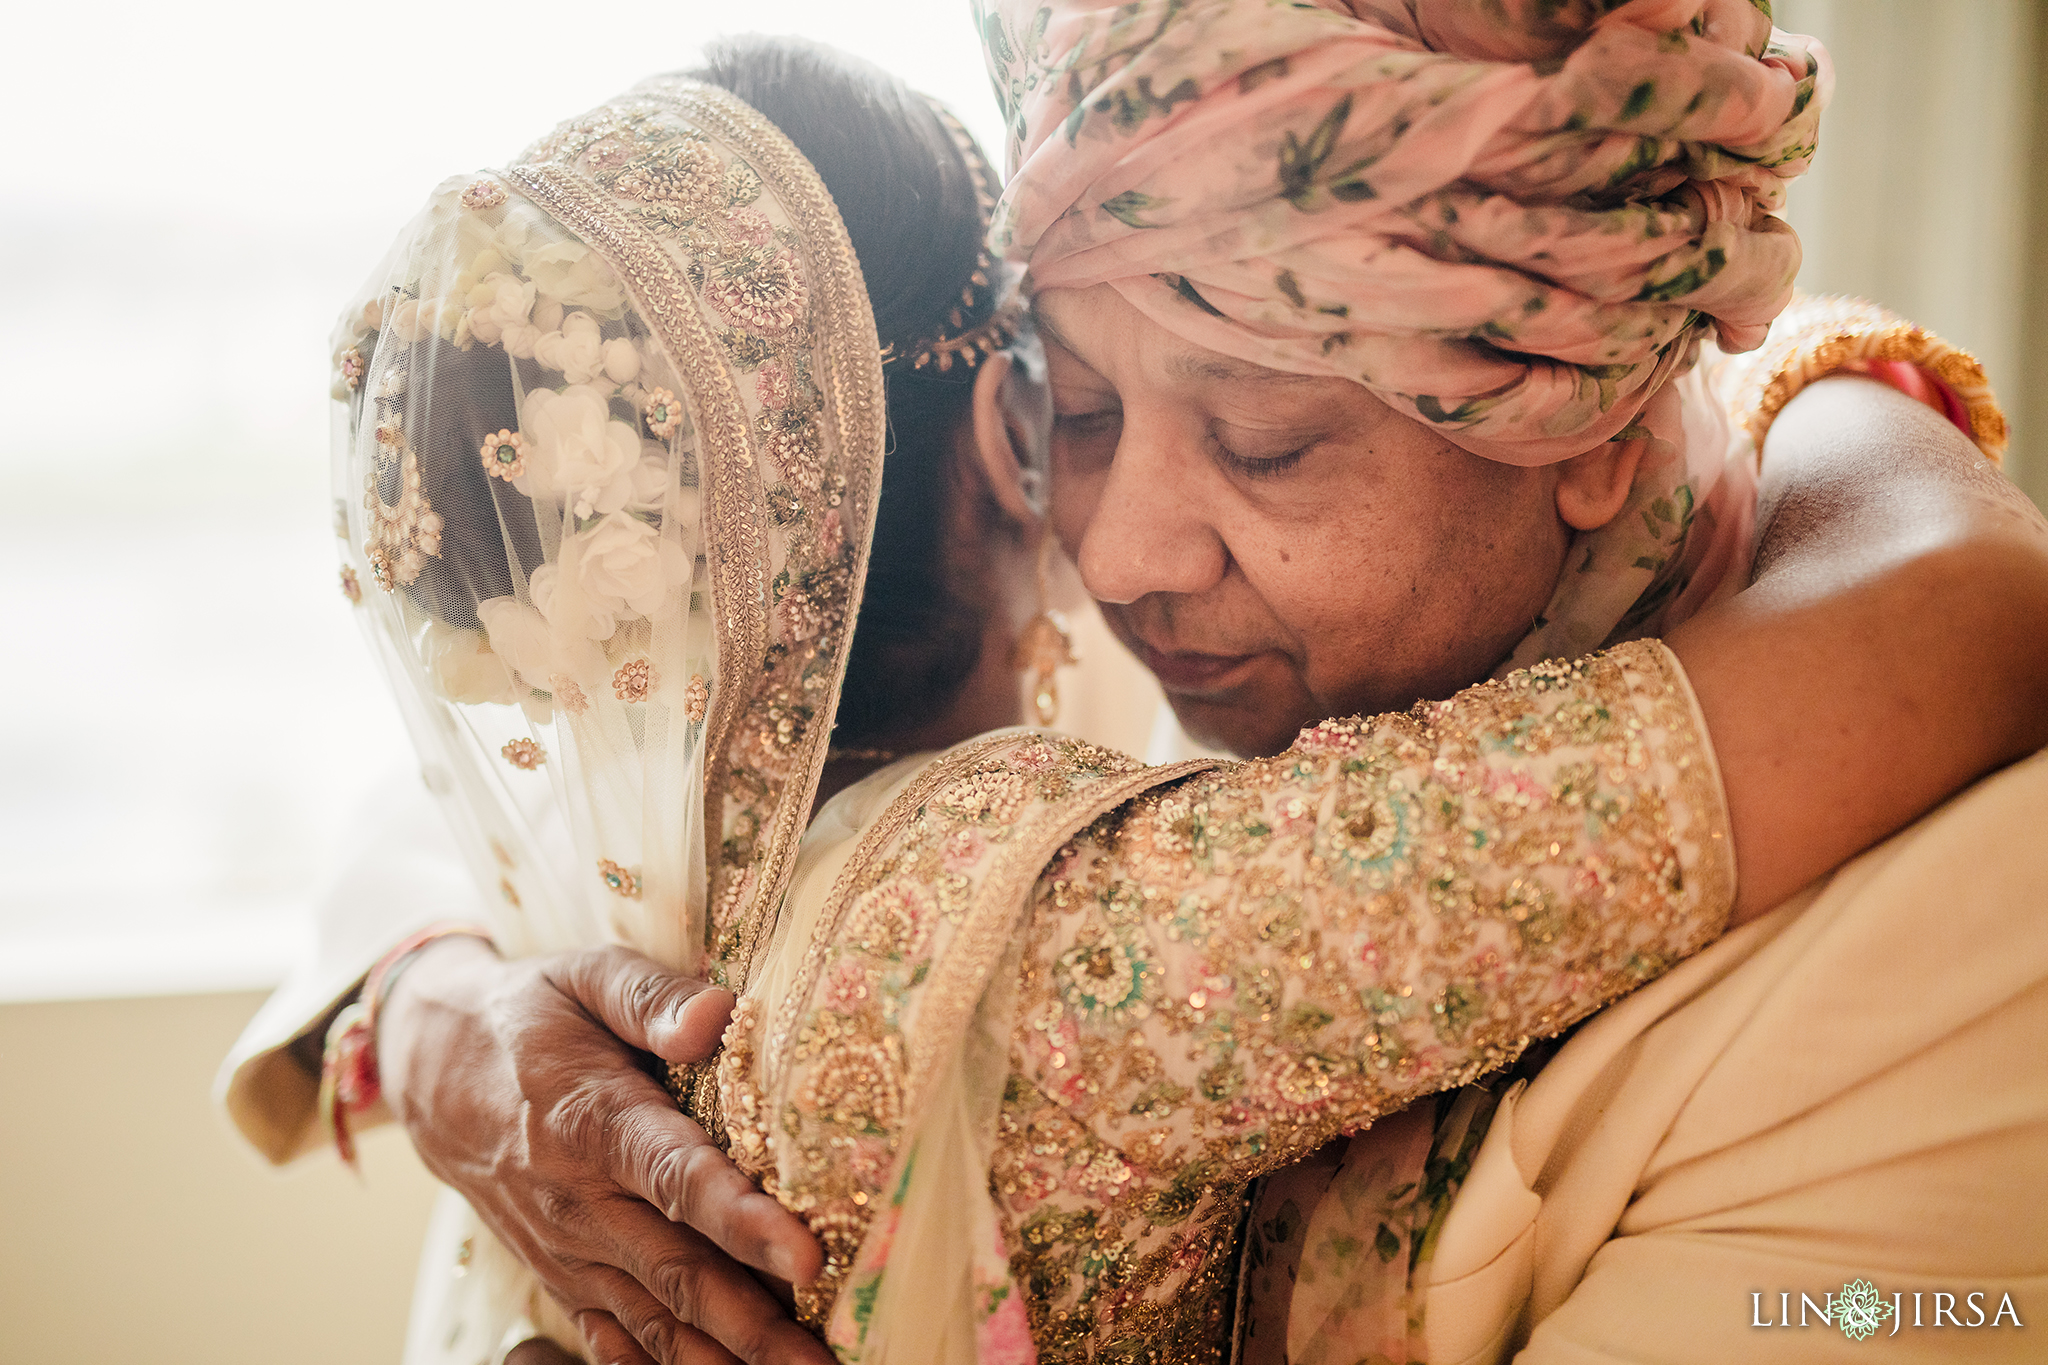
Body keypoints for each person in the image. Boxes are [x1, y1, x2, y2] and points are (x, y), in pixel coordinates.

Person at [218, 18, 2048, 1365]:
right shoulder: (1026, 623)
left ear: (1587, 410)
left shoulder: (1954, 946)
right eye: (1070, 408)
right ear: (992, 423)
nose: (1122, 544)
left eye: (1264, 440)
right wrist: (447, 1008)